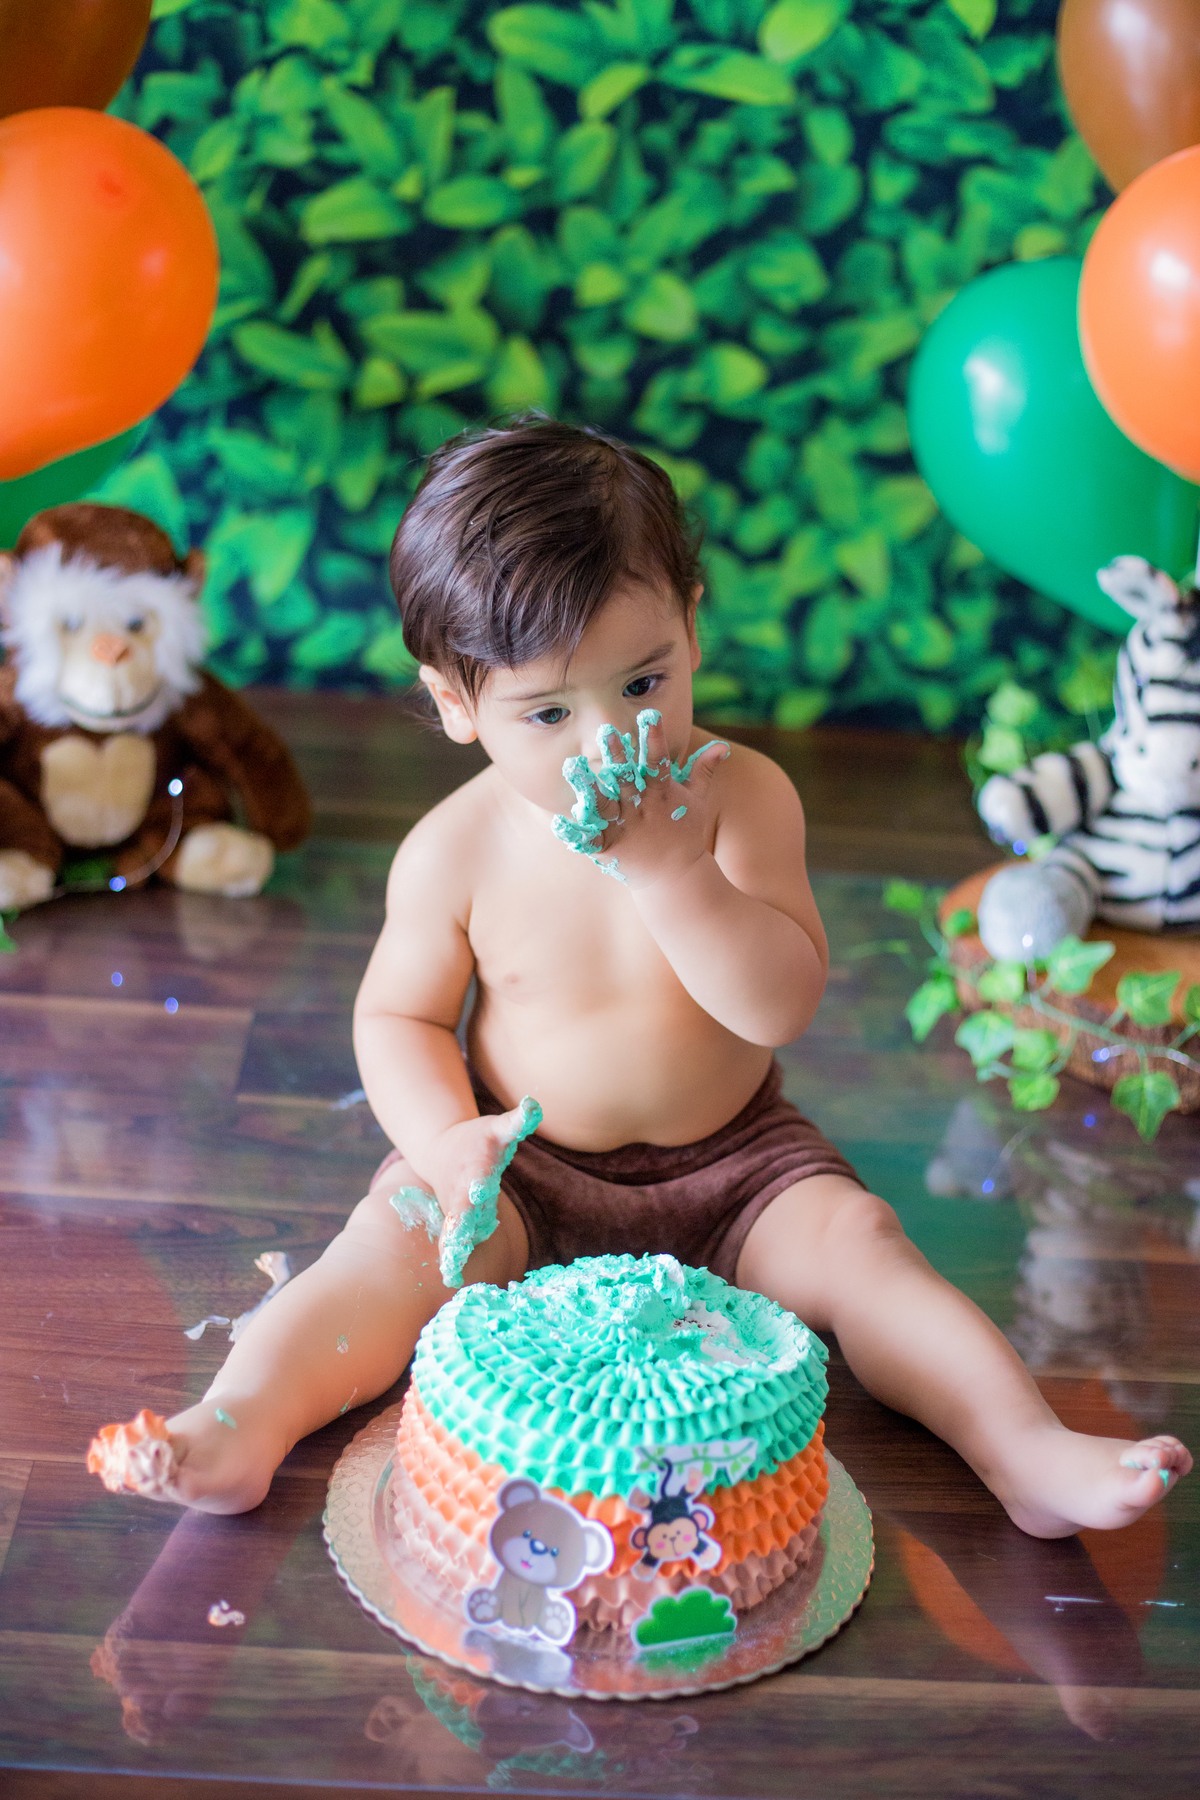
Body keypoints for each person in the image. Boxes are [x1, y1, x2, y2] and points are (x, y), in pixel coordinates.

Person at [88, 418, 1191, 1532]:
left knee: (868, 1252)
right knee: (382, 1251)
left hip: (740, 1169)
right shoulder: (454, 847)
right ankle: (236, 1427)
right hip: (519, 1160)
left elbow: (782, 1001)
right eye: (552, 712)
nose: (612, 739)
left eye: (644, 682)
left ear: (692, 626)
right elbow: (399, 1013)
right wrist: (442, 1142)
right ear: (459, 704)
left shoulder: (742, 797)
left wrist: (673, 875)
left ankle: (1024, 1452)